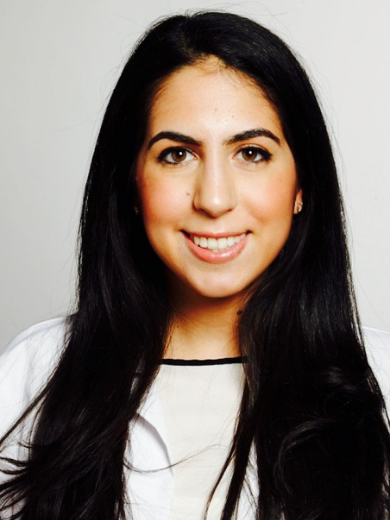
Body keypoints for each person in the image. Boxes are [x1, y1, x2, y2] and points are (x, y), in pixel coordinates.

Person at [1, 10, 390, 520]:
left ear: (302, 188)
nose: (213, 198)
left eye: (251, 153)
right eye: (176, 154)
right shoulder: (36, 373)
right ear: (132, 185)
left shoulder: (378, 378)